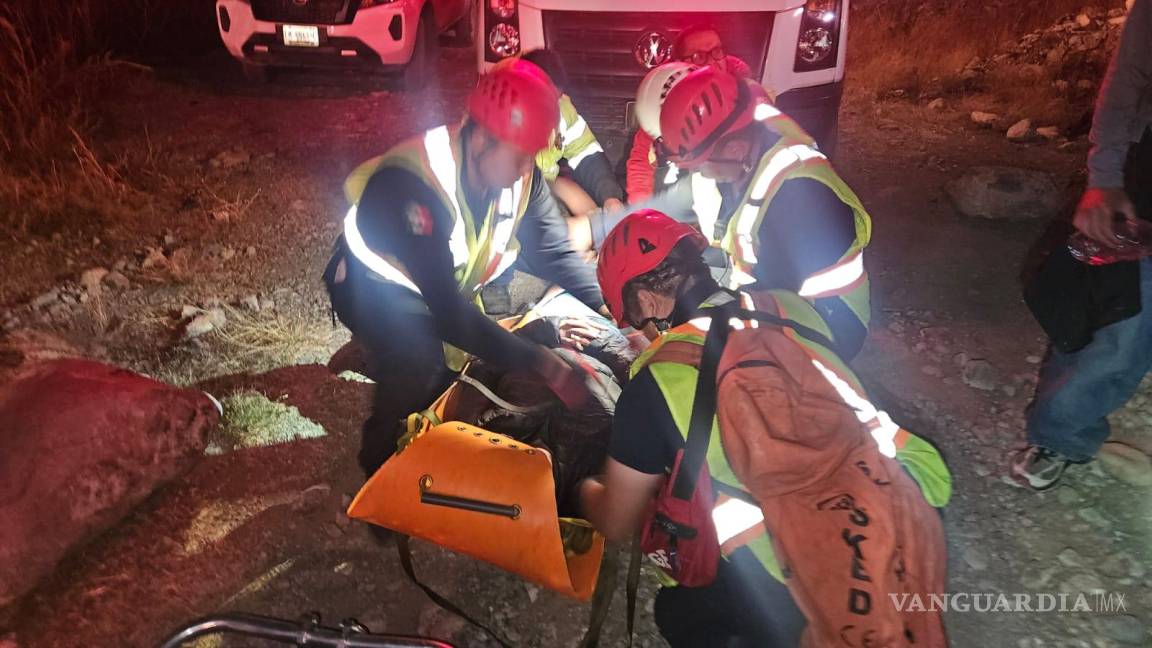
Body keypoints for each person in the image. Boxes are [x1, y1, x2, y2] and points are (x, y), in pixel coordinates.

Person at [580, 210, 948, 647]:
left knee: (678, 612)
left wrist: (586, 489)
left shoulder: (656, 382)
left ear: (645, 299)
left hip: (802, 573)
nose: (643, 330)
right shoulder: (786, 304)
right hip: (912, 506)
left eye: (636, 317)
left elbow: (617, 522)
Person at [323, 60, 607, 478]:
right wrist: (543, 364)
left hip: (447, 286)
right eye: (521, 157)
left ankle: (394, 361)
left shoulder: (517, 176)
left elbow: (556, 254)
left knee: (509, 323)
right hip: (371, 285)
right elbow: (448, 312)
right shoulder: (416, 186)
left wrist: (608, 309)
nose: (528, 169)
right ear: (482, 142)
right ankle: (379, 462)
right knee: (419, 362)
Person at [1012, 0, 1152, 490]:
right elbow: (1129, 78)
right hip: (1145, 195)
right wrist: (1104, 177)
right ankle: (1061, 433)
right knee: (1120, 331)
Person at [658, 66, 872, 360]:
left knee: (708, 351)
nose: (701, 175)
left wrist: (688, 331)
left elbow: (770, 299)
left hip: (829, 322)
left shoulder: (798, 201)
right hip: (777, 288)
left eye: (702, 165)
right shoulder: (753, 147)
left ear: (734, 149)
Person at [625, 25, 753, 204]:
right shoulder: (666, 98)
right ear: (680, 63)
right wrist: (640, 211)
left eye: (717, 51)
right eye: (699, 57)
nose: (711, 63)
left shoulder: (749, 98)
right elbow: (641, 162)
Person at [519, 48, 625, 254]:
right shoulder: (506, 115)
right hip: (516, 201)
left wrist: (610, 198)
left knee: (601, 222)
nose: (552, 108)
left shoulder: (562, 110)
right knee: (582, 235)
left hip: (544, 186)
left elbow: (586, 153)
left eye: (555, 98)